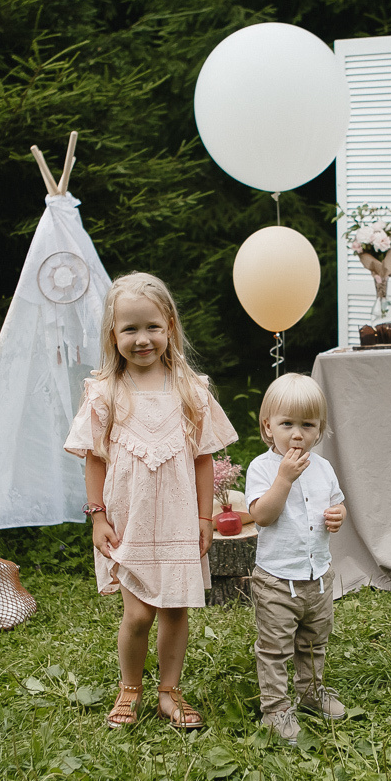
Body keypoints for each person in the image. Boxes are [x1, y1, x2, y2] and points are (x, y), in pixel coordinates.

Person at [64, 272, 237, 730]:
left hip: (179, 517)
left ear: (170, 327)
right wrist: (97, 516)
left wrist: (205, 516)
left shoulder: (190, 390)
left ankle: (169, 691)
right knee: (138, 612)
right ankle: (130, 688)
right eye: (130, 329)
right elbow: (95, 460)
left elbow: (203, 459)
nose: (142, 339)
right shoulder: (104, 392)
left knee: (176, 607)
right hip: (130, 519)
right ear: (112, 334)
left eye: (152, 327)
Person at [244, 373, 348, 745]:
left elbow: (335, 503)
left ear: (320, 429)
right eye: (287, 424)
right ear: (267, 427)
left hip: (318, 576)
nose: (298, 434)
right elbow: (263, 516)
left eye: (308, 424)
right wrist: (284, 479)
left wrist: (338, 515)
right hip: (276, 580)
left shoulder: (323, 468)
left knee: (313, 641)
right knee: (275, 648)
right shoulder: (262, 468)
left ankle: (310, 692)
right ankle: (276, 709)